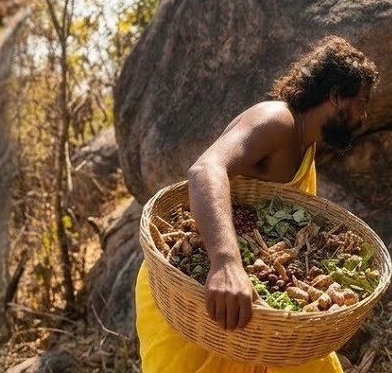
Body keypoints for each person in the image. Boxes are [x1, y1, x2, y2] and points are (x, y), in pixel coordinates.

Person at [135, 35, 379, 373]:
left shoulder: (306, 144)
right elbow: (206, 170)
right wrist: (225, 264)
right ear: (336, 95)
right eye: (361, 102)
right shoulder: (277, 120)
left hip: (252, 301)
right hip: (200, 291)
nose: (363, 115)